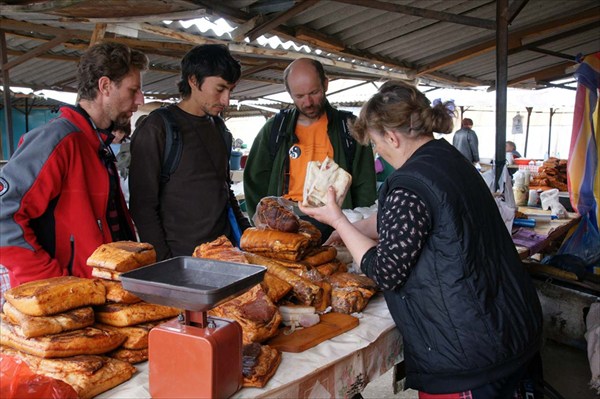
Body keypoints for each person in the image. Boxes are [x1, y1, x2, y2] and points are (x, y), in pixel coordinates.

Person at [300, 81, 543, 397]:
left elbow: (385, 270)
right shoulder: (447, 158)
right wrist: (353, 230)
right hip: (510, 327)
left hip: (468, 354)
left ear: (392, 136)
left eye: (375, 144)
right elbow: (408, 219)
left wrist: (339, 220)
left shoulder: (409, 182)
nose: (378, 153)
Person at [0, 42, 148, 287]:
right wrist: (53, 281)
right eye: (133, 90)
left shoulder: (98, 144)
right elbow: (4, 216)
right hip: (61, 302)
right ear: (105, 86)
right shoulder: (58, 141)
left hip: (96, 296)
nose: (140, 100)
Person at [129, 44, 250, 261]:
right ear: (193, 80)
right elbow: (143, 207)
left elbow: (225, 192)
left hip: (227, 258)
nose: (226, 100)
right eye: (220, 89)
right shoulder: (159, 128)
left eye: (231, 90)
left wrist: (249, 236)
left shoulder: (220, 130)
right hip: (182, 262)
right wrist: (165, 263)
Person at [243, 58, 377, 239]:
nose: (308, 102)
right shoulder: (275, 129)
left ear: (325, 84)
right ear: (289, 93)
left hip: (336, 222)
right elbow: (255, 179)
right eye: (299, 96)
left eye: (314, 92)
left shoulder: (349, 127)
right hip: (286, 222)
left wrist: (358, 228)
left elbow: (365, 185)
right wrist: (260, 220)